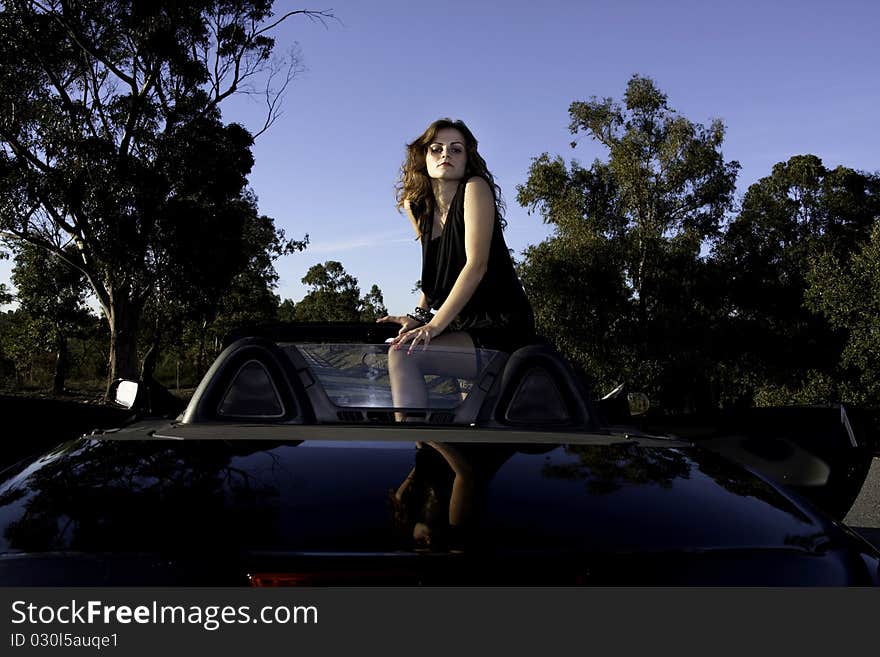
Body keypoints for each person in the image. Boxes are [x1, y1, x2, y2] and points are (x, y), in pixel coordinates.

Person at [378, 118, 535, 414]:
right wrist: (419, 316)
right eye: (436, 149)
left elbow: (476, 266)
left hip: (500, 325)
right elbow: (434, 271)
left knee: (404, 355)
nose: (445, 155)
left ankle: (416, 452)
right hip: (462, 327)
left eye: (456, 149)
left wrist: (434, 326)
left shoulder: (475, 189)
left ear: (467, 159)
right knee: (468, 436)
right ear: (423, 158)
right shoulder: (419, 208)